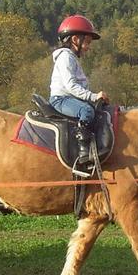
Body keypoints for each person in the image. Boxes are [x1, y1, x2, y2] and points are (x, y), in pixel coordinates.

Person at [49, 14, 109, 167]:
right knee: (87, 112)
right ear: (75, 39)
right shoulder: (66, 58)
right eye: (87, 42)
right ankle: (84, 152)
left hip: (69, 98)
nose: (88, 47)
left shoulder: (72, 58)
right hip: (61, 99)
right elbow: (71, 86)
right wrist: (93, 96)